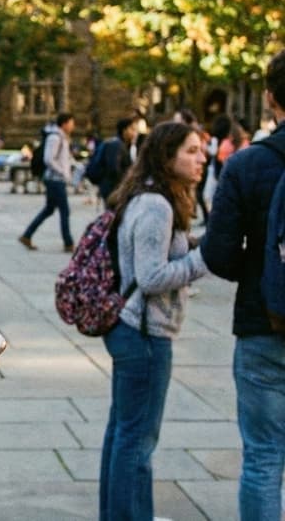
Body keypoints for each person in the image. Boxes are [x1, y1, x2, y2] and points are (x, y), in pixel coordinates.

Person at [97, 121, 208, 520]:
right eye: (191, 151)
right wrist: (203, 259)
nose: (202, 158)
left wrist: (190, 246)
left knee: (124, 433)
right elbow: (151, 277)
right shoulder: (156, 205)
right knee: (137, 441)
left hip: (133, 330)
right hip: (144, 333)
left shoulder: (147, 197)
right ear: (166, 156)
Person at [201, 49, 285, 521]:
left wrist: (259, 269)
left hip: (263, 321)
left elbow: (217, 253)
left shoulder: (248, 164)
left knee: (264, 457)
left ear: (270, 97)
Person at [18, 113, 76, 252]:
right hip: (54, 179)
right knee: (64, 210)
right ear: (64, 123)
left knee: (49, 209)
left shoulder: (63, 138)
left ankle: (27, 235)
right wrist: (62, 172)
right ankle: (68, 242)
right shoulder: (54, 138)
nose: (73, 126)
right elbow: (49, 159)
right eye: (71, 123)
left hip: (57, 179)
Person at [93, 117, 137, 206]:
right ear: (124, 130)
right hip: (113, 189)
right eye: (132, 129)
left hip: (115, 188)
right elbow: (113, 169)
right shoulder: (116, 145)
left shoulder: (124, 145)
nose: (134, 133)